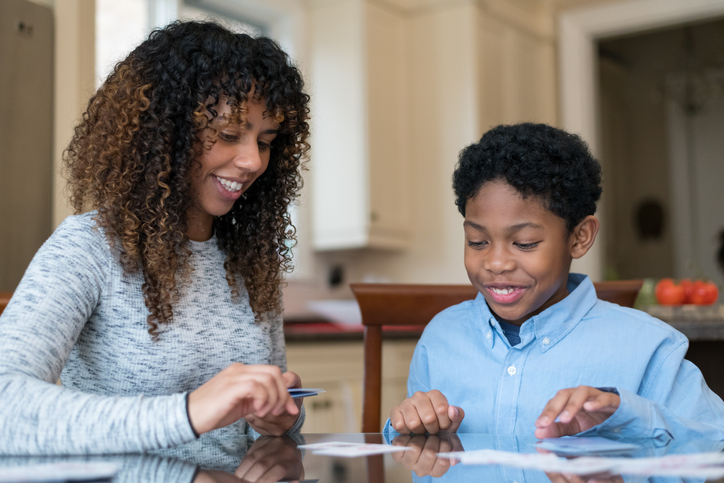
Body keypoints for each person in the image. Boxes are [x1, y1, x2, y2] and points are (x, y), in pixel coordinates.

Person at [0, 20, 310, 455]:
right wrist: (186, 412)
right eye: (227, 135)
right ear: (164, 134)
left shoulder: (250, 262)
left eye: (266, 141)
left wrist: (278, 420)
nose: (252, 161)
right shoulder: (88, 248)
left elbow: (259, 433)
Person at [387, 123, 724, 441]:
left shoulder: (649, 347)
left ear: (579, 237)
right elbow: (409, 448)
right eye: (477, 241)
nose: (496, 263)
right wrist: (408, 424)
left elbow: (714, 439)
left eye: (525, 243)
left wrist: (628, 417)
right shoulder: (440, 339)